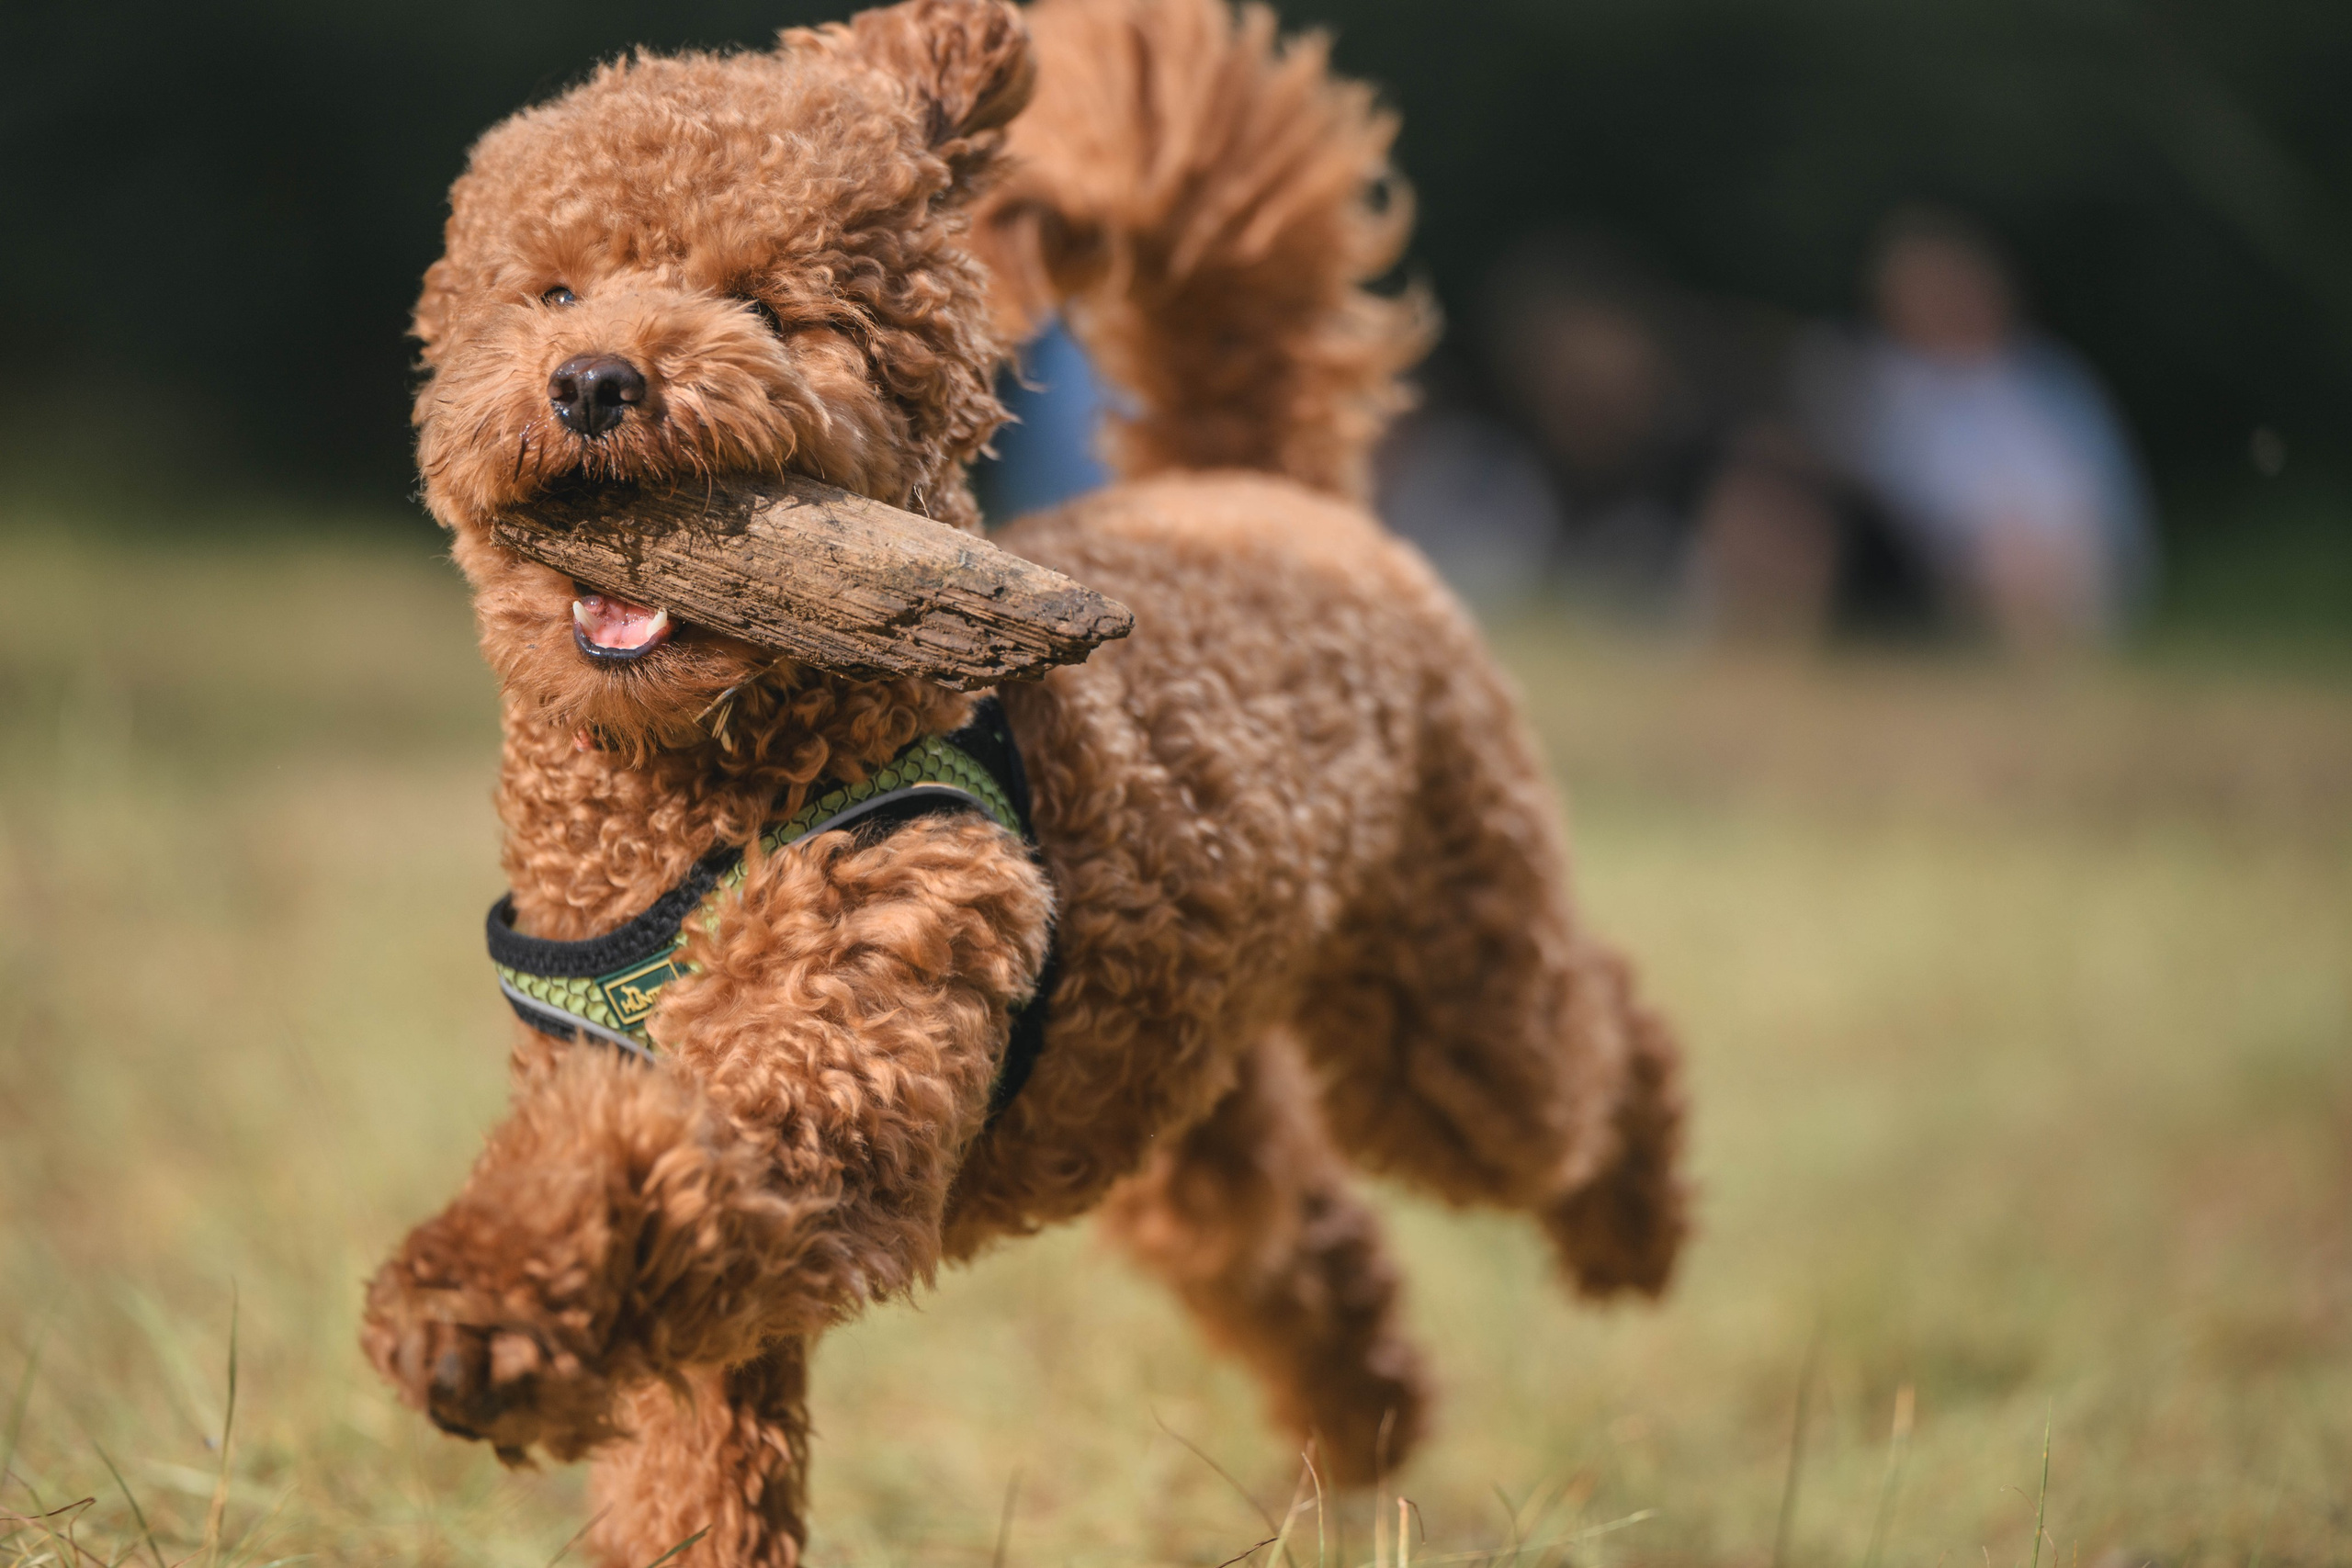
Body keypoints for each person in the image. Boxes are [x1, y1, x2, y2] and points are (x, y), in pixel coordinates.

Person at [1794, 208, 2155, 648]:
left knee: (2033, 558)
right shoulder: (1885, 386)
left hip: (2073, 558)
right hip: (1946, 563)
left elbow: (2110, 491)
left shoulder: (2052, 379)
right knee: (2004, 555)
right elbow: (1887, 489)